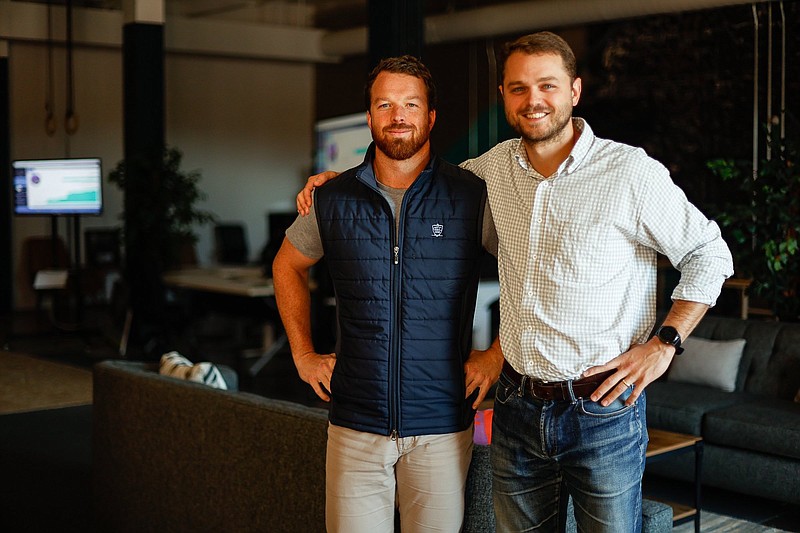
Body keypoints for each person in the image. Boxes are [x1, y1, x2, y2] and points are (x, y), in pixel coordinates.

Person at [296, 32, 733, 532]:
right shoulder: (491, 172)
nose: (533, 100)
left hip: (602, 410)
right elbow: (415, 182)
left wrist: (664, 343)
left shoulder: (628, 171)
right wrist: (341, 185)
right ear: (504, 96)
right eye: (518, 88)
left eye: (547, 85)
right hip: (516, 412)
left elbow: (709, 253)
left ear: (575, 91)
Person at [272, 55, 500, 533]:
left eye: (411, 104)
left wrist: (496, 354)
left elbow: (526, 274)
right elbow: (287, 265)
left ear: (430, 116)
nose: (398, 116)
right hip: (355, 422)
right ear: (370, 117)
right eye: (385, 104)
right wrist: (303, 353)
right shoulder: (331, 199)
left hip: (440, 421)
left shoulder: (469, 196)